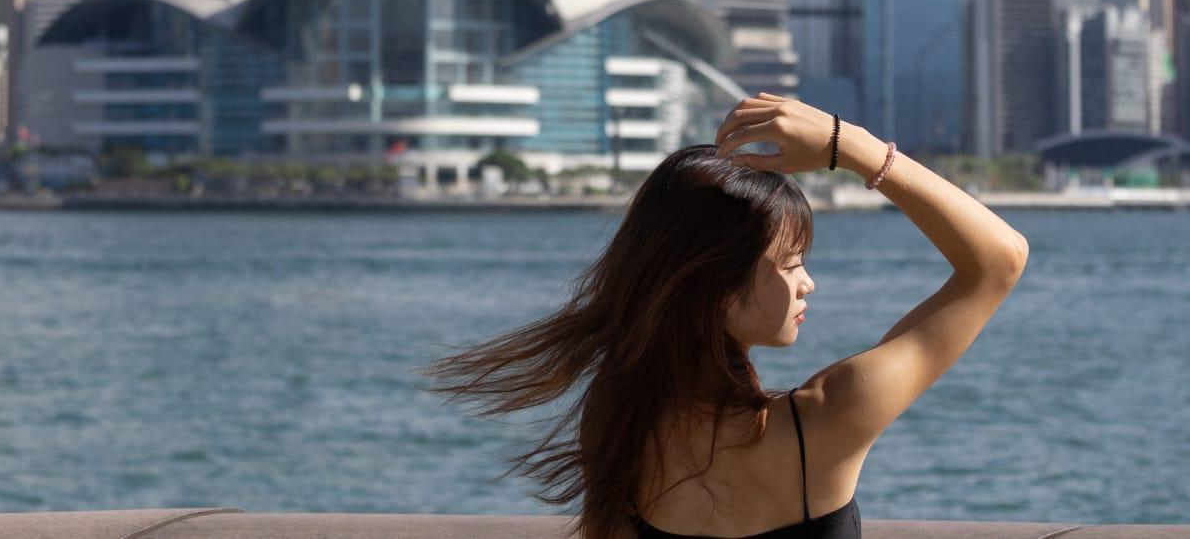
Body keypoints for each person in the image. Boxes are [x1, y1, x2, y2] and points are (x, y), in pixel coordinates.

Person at [423, 93, 1030, 539]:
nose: (807, 282)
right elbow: (998, 261)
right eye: (791, 263)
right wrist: (855, 148)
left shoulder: (619, 420)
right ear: (717, 283)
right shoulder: (830, 418)